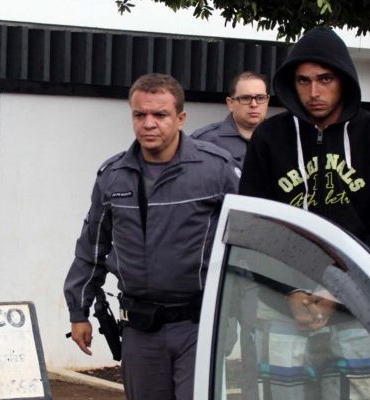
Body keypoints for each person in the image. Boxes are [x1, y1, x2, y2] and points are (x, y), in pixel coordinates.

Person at [239, 26, 370, 399]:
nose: (314, 92)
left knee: (362, 395)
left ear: (344, 79)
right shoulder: (269, 138)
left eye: (325, 79)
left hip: (355, 305)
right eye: (303, 81)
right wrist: (291, 291)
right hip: (283, 302)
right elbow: (256, 227)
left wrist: (339, 291)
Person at [63, 73, 240, 400]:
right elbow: (91, 248)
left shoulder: (216, 169)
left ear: (181, 118)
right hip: (140, 331)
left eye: (160, 115)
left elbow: (245, 242)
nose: (148, 123)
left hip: (198, 326)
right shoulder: (112, 175)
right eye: (139, 114)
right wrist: (79, 311)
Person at [191, 71, 270, 164]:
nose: (254, 104)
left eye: (260, 98)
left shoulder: (283, 138)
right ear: (230, 103)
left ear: (267, 101)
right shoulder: (204, 141)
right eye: (245, 98)